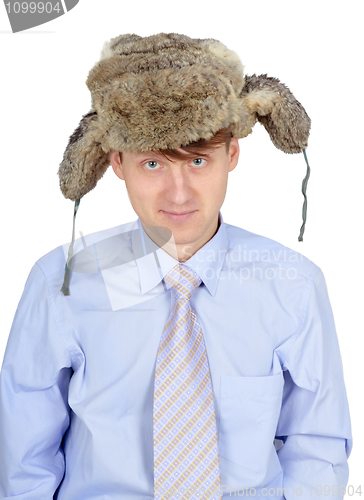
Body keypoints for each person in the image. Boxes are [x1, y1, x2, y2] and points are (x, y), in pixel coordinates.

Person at [0, 33, 352, 499]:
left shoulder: (294, 287)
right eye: (152, 164)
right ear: (117, 163)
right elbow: (23, 456)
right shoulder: (61, 282)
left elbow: (317, 445)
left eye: (199, 160)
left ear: (233, 155)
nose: (179, 194)